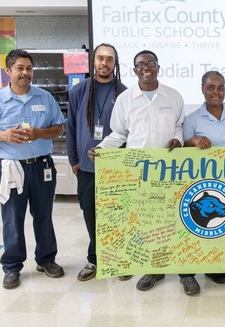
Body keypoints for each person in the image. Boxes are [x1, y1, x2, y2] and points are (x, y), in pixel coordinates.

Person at [87, 50, 199, 295]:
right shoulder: (126, 100)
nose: (146, 67)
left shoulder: (173, 96)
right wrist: (100, 148)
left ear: (158, 67)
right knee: (150, 223)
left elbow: (179, 127)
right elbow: (119, 134)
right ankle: (154, 269)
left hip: (171, 172)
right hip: (141, 174)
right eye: (141, 64)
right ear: (134, 69)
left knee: (180, 222)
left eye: (151, 63)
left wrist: (178, 140)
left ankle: (186, 274)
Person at [0, 49, 65, 289]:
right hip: (10, 168)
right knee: (13, 219)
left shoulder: (45, 98)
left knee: (44, 216)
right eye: (20, 68)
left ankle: (46, 260)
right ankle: (12, 267)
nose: (25, 73)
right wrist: (4, 135)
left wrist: (39, 133)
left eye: (29, 68)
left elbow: (58, 128)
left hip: (42, 166)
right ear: (8, 71)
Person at [183, 70, 225, 284]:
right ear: (202, 89)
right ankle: (212, 266)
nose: (216, 92)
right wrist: (192, 141)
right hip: (207, 185)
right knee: (211, 225)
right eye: (211, 87)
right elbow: (182, 151)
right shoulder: (192, 119)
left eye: (220, 87)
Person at [66, 43, 127, 281]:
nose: (104, 63)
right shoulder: (79, 91)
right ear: (93, 61)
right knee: (91, 215)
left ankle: (119, 259)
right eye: (100, 58)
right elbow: (71, 127)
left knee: (116, 215)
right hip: (87, 168)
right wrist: (74, 159)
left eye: (109, 59)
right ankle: (94, 259)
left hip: (117, 168)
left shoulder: (124, 92)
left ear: (115, 64)